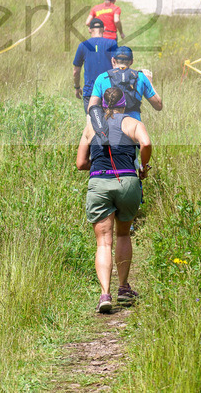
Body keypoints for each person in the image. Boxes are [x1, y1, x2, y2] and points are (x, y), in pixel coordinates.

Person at [77, 85, 152, 313]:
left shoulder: (91, 126)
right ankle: (124, 288)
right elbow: (146, 143)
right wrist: (143, 166)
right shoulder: (132, 123)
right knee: (123, 234)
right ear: (124, 105)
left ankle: (104, 295)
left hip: (99, 182)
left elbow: (80, 163)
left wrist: (97, 165)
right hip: (127, 182)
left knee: (103, 242)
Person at [88, 47, 163, 121]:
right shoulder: (140, 77)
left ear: (113, 60)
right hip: (134, 126)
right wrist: (149, 81)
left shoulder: (102, 77)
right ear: (131, 61)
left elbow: (91, 108)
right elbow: (158, 105)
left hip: (109, 126)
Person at [73, 19, 118, 113]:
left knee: (91, 123)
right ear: (104, 29)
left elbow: (76, 71)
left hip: (90, 91)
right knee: (110, 123)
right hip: (109, 91)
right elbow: (117, 67)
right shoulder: (112, 43)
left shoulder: (83, 45)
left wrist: (77, 87)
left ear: (90, 29)